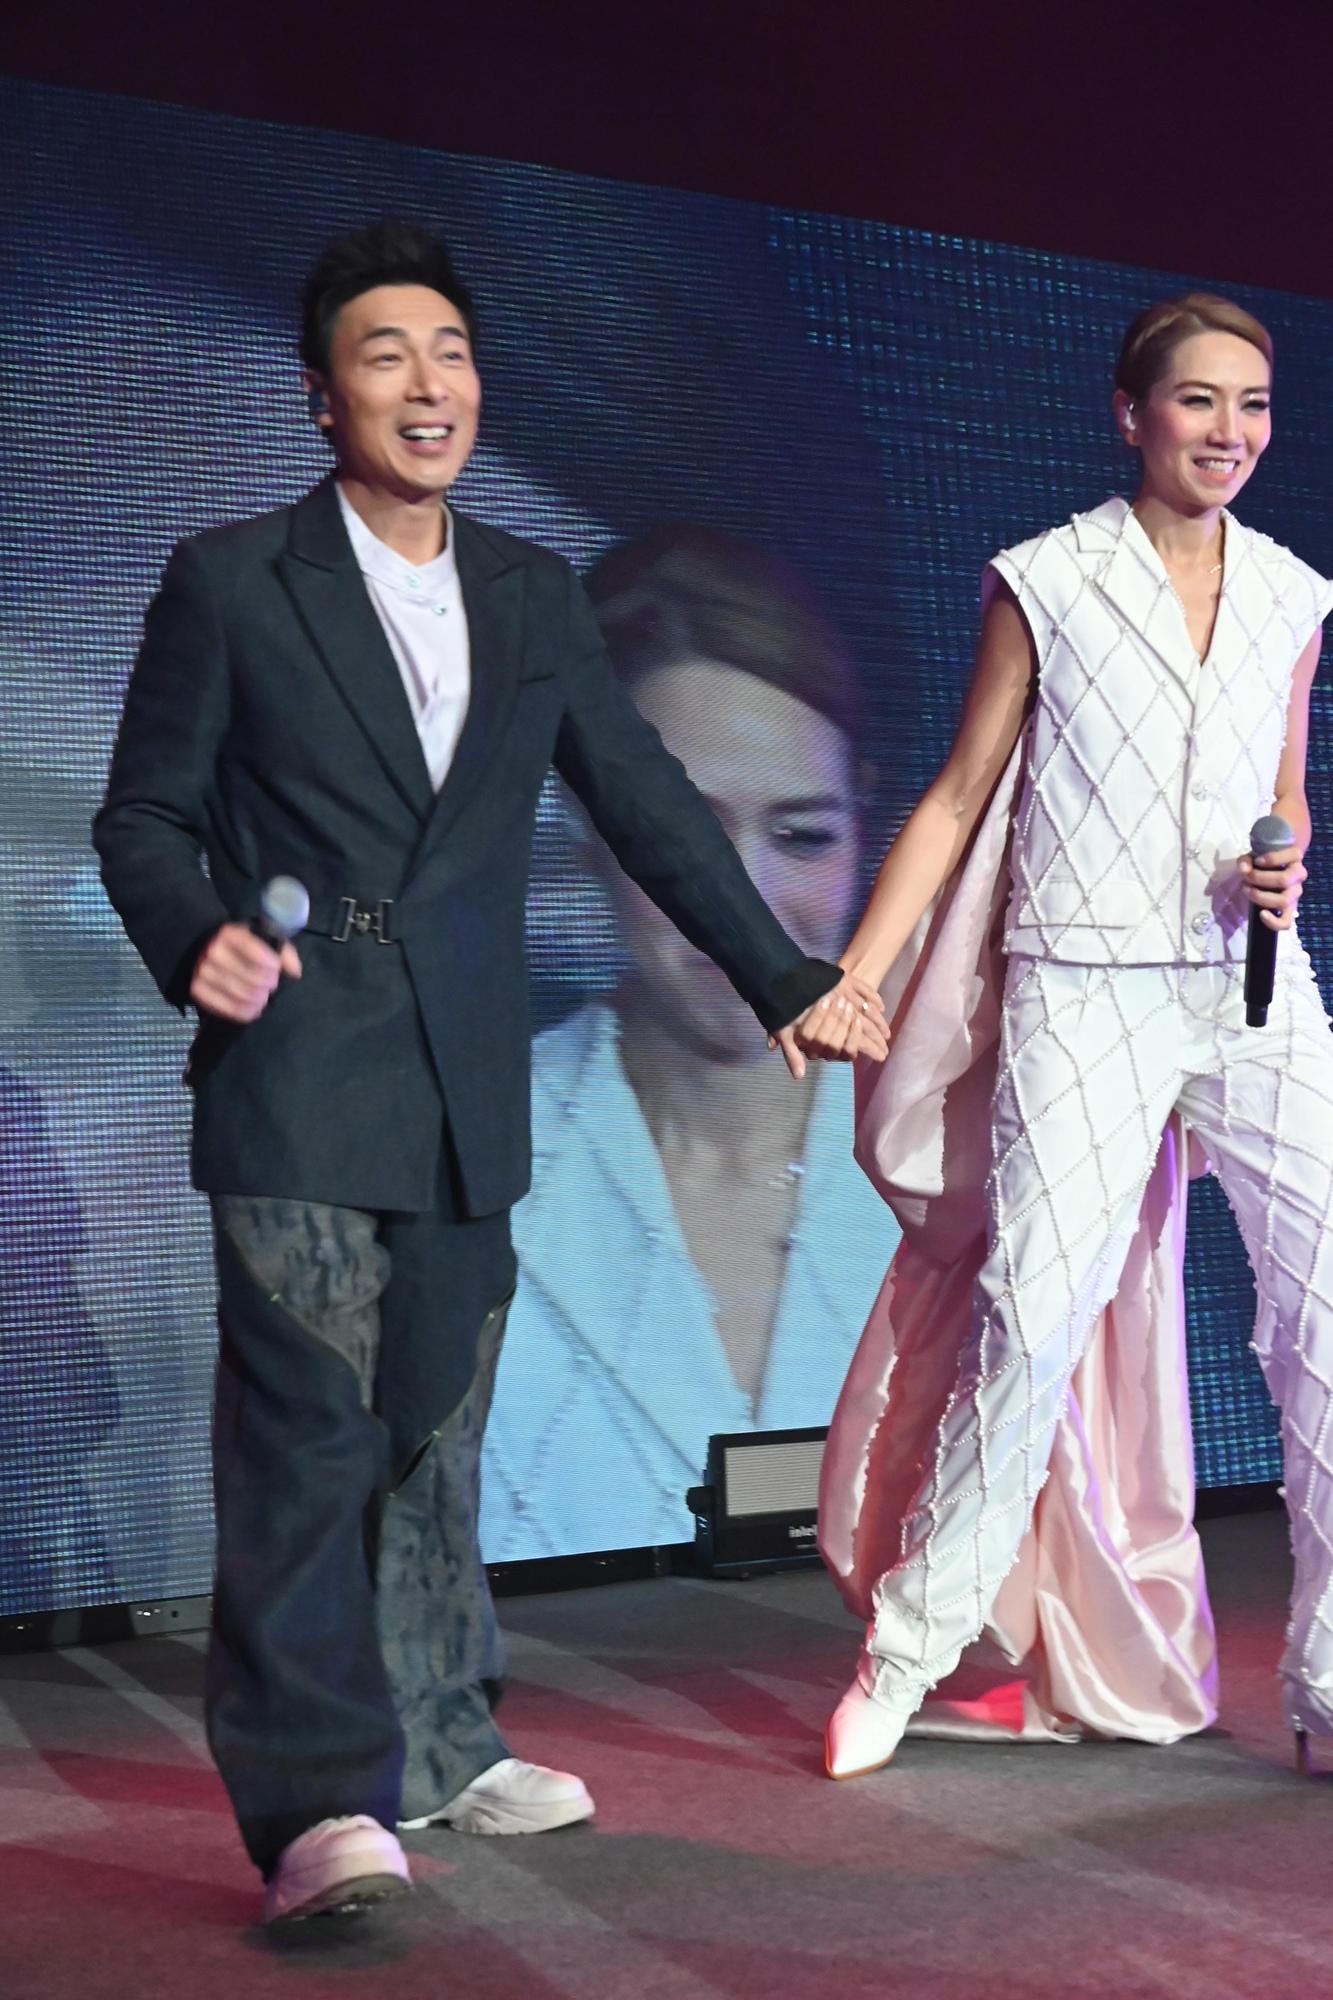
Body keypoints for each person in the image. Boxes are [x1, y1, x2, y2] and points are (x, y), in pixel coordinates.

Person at [93, 219, 886, 1924]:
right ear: (324, 398)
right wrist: (194, 933)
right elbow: (142, 815)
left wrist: (782, 976)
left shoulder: (529, 596)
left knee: (433, 1429)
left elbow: (644, 797)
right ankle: (318, 1806)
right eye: (385, 354)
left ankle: (443, 1741)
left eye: (448, 352)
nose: (427, 383)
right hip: (299, 1065)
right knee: (306, 1441)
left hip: (466, 1075)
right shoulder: (232, 580)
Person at [805, 292, 1333, 1780]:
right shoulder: (1047, 578)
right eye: (1197, 400)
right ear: (1130, 413)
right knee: (1031, 1316)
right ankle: (905, 1651)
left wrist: (1286, 854)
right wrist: (857, 972)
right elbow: (957, 794)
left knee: (1329, 1310)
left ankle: (1325, 1675)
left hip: (1246, 983)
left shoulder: (1293, 594)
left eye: (1252, 404)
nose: (1228, 431)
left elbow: (1282, 792)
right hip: (1083, 984)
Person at [481, 526, 900, 1560]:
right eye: (683, 834)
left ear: (863, 825)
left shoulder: (971, 1150)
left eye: (801, 835)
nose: (739, 900)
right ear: (588, 823)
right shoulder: (458, 1157)